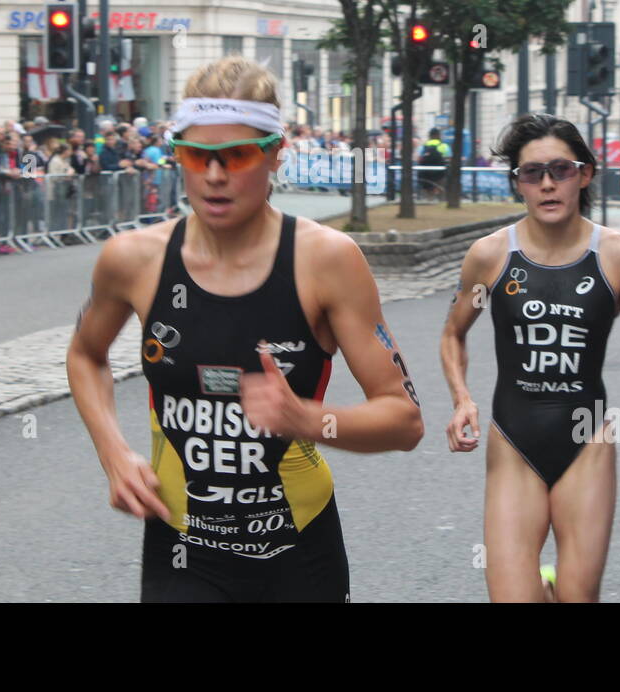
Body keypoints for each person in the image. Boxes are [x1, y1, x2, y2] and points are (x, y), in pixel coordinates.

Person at [67, 55, 423, 603]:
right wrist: (113, 453)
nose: (213, 175)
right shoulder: (133, 259)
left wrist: (307, 418)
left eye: (235, 156)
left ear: (276, 154)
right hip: (181, 547)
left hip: (298, 551)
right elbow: (86, 354)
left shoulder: (326, 260)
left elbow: (404, 421)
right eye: (196, 155)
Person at [440, 113, 620, 602]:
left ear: (584, 174)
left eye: (560, 170)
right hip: (513, 441)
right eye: (531, 173)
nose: (546, 184)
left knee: (579, 598)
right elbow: (453, 334)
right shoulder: (490, 255)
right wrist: (462, 399)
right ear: (517, 183)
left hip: (587, 439)